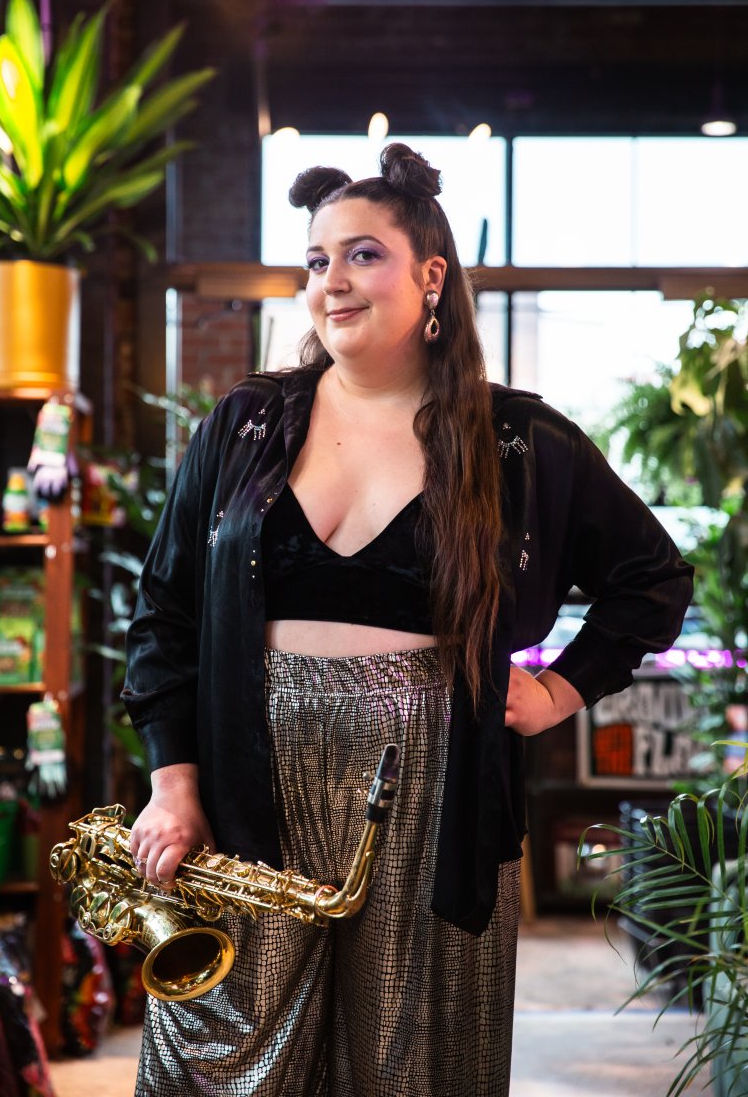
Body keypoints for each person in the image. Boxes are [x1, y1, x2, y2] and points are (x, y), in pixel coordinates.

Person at [122, 142, 693, 1097]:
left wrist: (559, 692)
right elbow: (164, 613)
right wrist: (173, 781)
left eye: (362, 255)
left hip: (434, 792)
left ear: (431, 275)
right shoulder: (246, 425)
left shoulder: (519, 442)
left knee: (409, 1066)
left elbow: (653, 580)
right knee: (225, 1062)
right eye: (316, 261)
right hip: (243, 790)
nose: (332, 282)